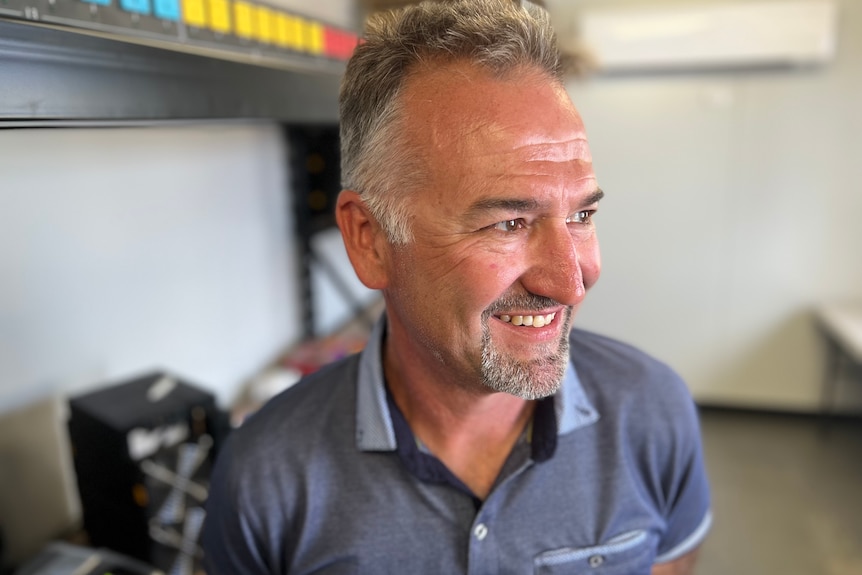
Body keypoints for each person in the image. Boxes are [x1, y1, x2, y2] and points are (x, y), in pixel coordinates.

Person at [201, 0, 711, 573]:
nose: (571, 281)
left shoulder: (654, 414)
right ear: (369, 239)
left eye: (581, 217)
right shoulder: (266, 477)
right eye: (507, 223)